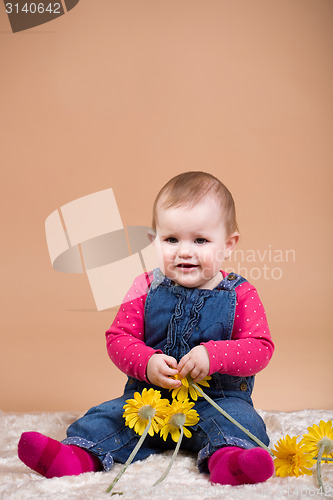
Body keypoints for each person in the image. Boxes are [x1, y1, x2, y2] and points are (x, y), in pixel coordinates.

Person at [18, 171, 275, 486]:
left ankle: (230, 462)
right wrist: (147, 362)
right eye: (171, 239)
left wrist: (214, 355)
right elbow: (118, 338)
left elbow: (260, 347)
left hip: (217, 400)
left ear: (228, 244)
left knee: (242, 422)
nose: (184, 251)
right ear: (155, 241)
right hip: (149, 401)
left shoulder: (240, 293)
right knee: (106, 416)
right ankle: (74, 456)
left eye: (200, 240)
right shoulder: (144, 286)